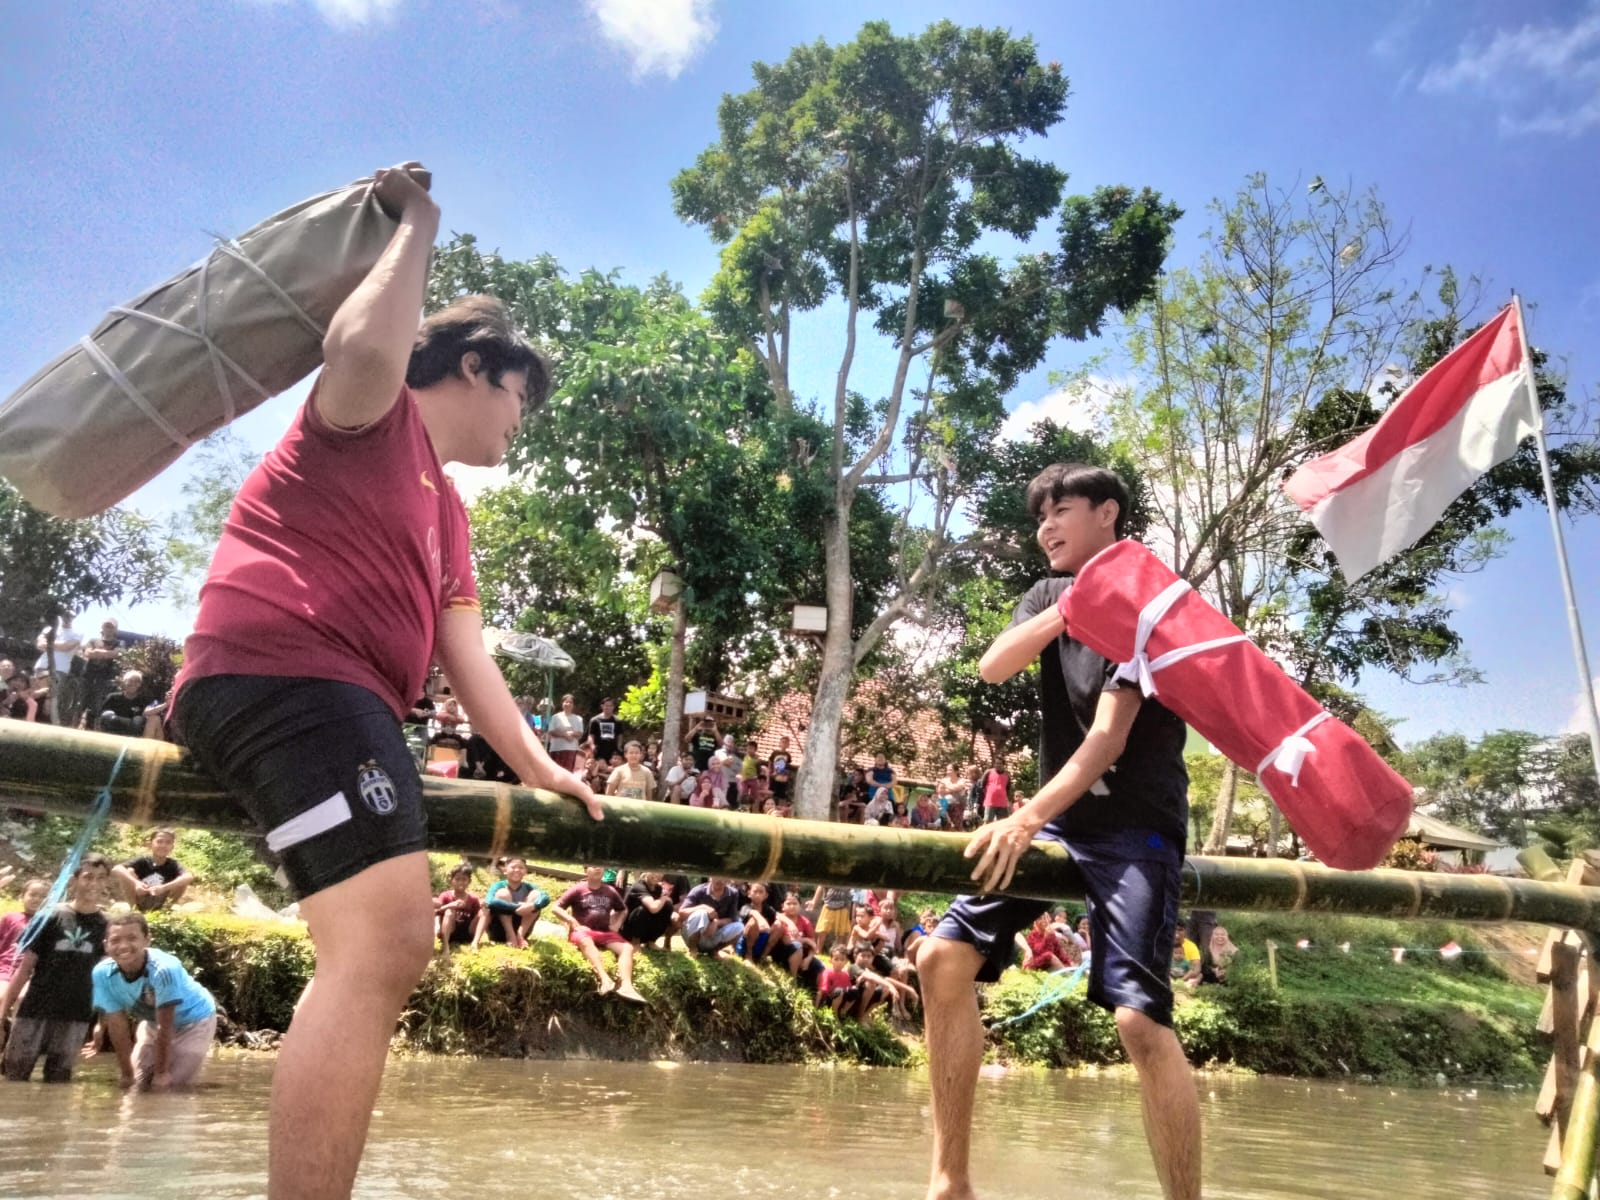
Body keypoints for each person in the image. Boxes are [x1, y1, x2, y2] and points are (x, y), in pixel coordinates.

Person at [167, 164, 600, 1200]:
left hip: (337, 703)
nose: (522, 422)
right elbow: (364, 344)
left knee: (384, 947)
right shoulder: (367, 415)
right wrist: (421, 221)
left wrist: (540, 766)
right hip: (284, 677)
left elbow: (467, 654)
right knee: (383, 944)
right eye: (522, 397)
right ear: (475, 369)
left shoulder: (447, 514)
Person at [916, 462, 1200, 1200]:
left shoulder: (1150, 603)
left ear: (1107, 513)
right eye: (1039, 515)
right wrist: (1071, 610)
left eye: (1061, 510)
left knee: (1139, 1023)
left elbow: (1108, 737)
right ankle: (951, 1181)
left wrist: (1025, 814)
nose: (1045, 527)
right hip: (1058, 819)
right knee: (940, 959)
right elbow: (992, 666)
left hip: (1135, 826)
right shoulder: (1048, 594)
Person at [0, 854, 111, 1082]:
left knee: (59, 1080)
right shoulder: (50, 916)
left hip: (76, 1014)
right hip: (34, 1009)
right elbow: (24, 970)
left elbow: (106, 979)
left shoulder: (107, 925)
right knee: (14, 1075)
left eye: (101, 878)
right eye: (88, 877)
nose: (94, 884)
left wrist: (101, 1023)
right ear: (74, 880)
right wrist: (1, 1014)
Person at [89, 911, 217, 1090]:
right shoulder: (102, 973)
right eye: (116, 940)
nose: (124, 946)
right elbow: (118, 1025)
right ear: (106, 946)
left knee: (169, 1086)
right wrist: (126, 1074)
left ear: (147, 940)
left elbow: (164, 1027)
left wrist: (161, 1073)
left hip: (195, 1020)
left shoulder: (163, 970)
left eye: (132, 938)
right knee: (136, 1084)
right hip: (152, 1021)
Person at [552, 866, 644, 1002]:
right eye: (593, 866)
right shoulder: (578, 889)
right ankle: (605, 979)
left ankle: (627, 986)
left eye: (600, 866)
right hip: (583, 931)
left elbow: (622, 910)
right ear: (585, 871)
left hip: (604, 931)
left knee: (627, 948)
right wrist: (570, 920)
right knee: (586, 942)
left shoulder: (610, 890)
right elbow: (555, 908)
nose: (597, 869)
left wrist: (616, 925)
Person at [112, 828, 194, 911]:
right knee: (129, 871)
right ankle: (134, 909)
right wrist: (137, 883)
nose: (163, 845)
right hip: (140, 898)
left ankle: (165, 910)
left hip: (161, 901)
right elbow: (116, 868)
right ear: (150, 844)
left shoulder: (173, 864)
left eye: (168, 842)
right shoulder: (142, 860)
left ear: (172, 847)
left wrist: (163, 888)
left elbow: (189, 876)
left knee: (183, 880)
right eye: (159, 841)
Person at [477, 858, 549, 950]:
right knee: (503, 893)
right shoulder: (498, 885)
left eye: (521, 867)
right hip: (499, 930)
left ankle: (520, 936)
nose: (517, 870)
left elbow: (545, 898)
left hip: (521, 927)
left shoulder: (529, 887)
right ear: (505, 871)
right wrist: (518, 907)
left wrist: (532, 906)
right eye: (513, 867)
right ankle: (511, 936)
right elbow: (489, 902)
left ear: (525, 872)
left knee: (537, 896)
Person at [0, 877, 50, 986]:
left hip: (32, 974)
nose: (37, 899)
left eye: (43, 897)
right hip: (5, 969)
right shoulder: (10, 917)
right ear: (22, 896)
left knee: (22, 997)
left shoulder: (50, 923)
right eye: (32, 895)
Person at [680, 876, 744, 957]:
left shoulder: (733, 893)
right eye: (716, 876)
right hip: (693, 933)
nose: (720, 880)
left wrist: (716, 922)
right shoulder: (698, 890)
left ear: (728, 879)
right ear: (710, 877)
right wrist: (702, 907)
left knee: (739, 926)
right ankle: (693, 949)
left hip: (713, 934)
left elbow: (732, 918)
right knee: (701, 913)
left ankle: (714, 951)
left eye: (723, 877)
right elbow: (682, 912)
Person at [78, 619, 123, 726]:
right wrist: (106, 653)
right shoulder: (93, 640)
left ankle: (94, 732)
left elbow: (116, 654)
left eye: (111, 627)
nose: (108, 628)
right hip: (87, 677)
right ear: (102, 628)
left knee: (98, 707)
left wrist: (98, 652)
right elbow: (88, 653)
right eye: (106, 626)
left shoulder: (120, 643)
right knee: (79, 705)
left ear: (115, 629)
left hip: (105, 679)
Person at [434, 863, 482, 958]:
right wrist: (450, 905)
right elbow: (436, 912)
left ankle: (475, 943)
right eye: (457, 879)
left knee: (484, 910)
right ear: (451, 880)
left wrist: (484, 907)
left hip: (467, 932)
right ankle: (446, 947)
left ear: (469, 881)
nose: (461, 882)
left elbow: (477, 917)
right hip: (449, 932)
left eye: (464, 879)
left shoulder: (473, 899)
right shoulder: (445, 895)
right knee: (449, 911)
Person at [621, 870, 677, 951]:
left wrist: (666, 901)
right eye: (653, 871)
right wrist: (664, 897)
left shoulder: (658, 888)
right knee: (643, 909)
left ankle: (651, 941)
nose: (657, 874)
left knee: (667, 907)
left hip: (645, 928)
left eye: (660, 872)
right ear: (646, 872)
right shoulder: (638, 886)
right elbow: (653, 908)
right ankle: (635, 943)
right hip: (629, 930)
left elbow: (663, 906)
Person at [547, 694, 585, 772]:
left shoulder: (578, 719)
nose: (568, 704)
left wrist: (572, 733)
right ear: (562, 703)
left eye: (570, 702)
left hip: (571, 749)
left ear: (573, 705)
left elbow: (580, 733)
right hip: (556, 748)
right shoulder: (555, 717)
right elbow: (551, 731)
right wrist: (564, 735)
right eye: (566, 702)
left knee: (567, 771)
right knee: (555, 771)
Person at [587, 697, 624, 766]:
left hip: (613, 750)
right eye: (606, 705)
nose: (608, 707)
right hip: (599, 750)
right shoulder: (595, 720)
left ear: (613, 707)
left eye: (610, 706)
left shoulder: (617, 721)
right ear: (602, 706)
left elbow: (620, 735)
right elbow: (591, 735)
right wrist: (592, 745)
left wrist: (619, 746)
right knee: (600, 767)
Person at [1171, 920, 1202, 988]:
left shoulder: (1191, 946)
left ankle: (1182, 984)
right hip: (1170, 974)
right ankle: (1175, 984)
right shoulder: (1165, 942)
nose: (1177, 932)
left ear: (1185, 931)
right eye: (1174, 929)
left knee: (1199, 975)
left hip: (1185, 975)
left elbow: (1197, 967)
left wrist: (1185, 977)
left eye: (1180, 930)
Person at [768, 736, 796, 807]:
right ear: (779, 743)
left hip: (783, 778)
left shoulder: (788, 755)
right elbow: (770, 762)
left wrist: (785, 774)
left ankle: (781, 809)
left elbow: (786, 765)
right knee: (772, 793)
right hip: (774, 777)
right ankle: (770, 806)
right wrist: (770, 771)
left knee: (782, 795)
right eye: (783, 742)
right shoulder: (775, 753)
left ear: (788, 745)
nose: (784, 744)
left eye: (786, 742)